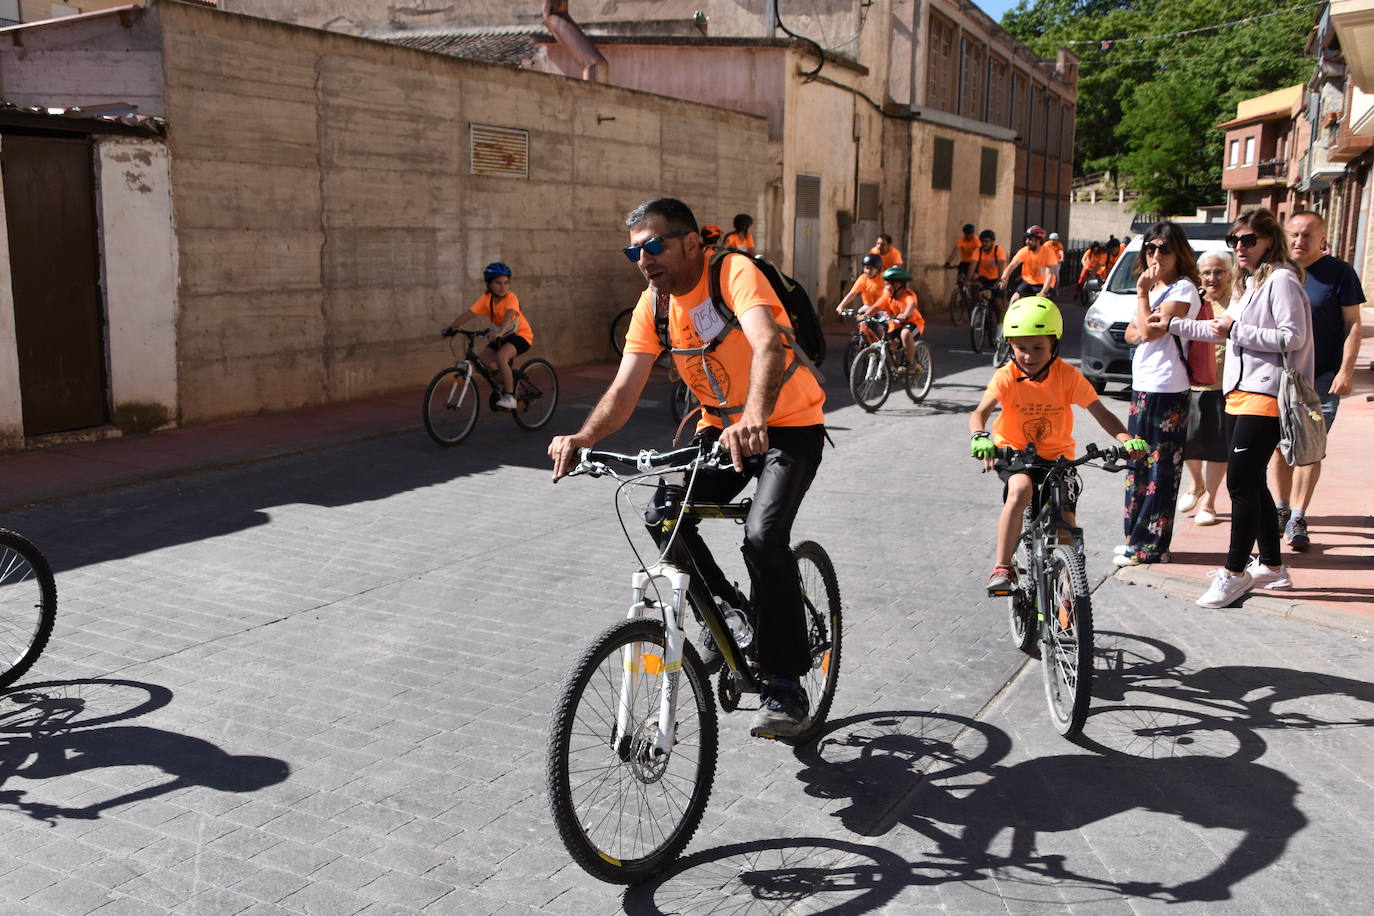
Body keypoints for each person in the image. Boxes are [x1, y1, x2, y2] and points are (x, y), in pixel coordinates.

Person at [548, 197, 826, 737]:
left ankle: (785, 683)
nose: (643, 259)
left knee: (764, 535)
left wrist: (753, 417)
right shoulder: (653, 306)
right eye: (634, 251)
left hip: (787, 423)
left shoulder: (733, 272)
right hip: (720, 431)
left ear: (692, 243)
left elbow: (767, 345)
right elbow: (625, 389)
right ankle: (731, 615)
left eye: (654, 245)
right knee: (663, 513)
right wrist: (584, 438)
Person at [1146, 208, 1314, 608]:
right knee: (1252, 482)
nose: (1239, 247)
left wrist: (1237, 330)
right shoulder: (1250, 282)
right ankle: (1272, 566)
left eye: (1248, 240)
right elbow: (1217, 331)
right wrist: (1173, 325)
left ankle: (1235, 572)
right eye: (1234, 240)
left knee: (1239, 483)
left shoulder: (1282, 280)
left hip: (1268, 394)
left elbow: (1293, 337)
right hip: (1239, 393)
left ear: (1269, 240)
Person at [968, 297, 1146, 592]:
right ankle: (1003, 566)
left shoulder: (1067, 376)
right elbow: (980, 413)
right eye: (1020, 347)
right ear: (1010, 345)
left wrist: (1125, 439)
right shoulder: (1007, 376)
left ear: (1054, 344)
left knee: (1066, 521)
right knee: (1021, 489)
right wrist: (979, 436)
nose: (1028, 355)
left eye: (1038, 347)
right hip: (1015, 453)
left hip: (1059, 458)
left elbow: (1100, 412)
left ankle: (1069, 595)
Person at [1270, 210, 1365, 551]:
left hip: (1322, 377)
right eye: (1293, 234)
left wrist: (1346, 370)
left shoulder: (1340, 273)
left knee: (1310, 448)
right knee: (1281, 446)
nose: (1298, 240)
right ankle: (1280, 509)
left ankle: (1298, 515)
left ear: (1322, 239)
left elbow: (1354, 324)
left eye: (1307, 235)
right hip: (1280, 376)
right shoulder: (1275, 271)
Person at [1115, 221, 1203, 568]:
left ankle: (1151, 546)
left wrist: (1141, 297)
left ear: (1179, 252)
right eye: (1150, 248)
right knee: (1137, 462)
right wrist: (1145, 318)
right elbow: (1130, 335)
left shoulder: (1183, 289)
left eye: (1164, 248)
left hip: (1167, 386)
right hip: (1143, 385)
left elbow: (1148, 335)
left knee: (1160, 470)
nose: (1155, 255)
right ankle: (1134, 539)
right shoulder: (1156, 291)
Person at [1179, 250, 1233, 528]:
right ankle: (1196, 484)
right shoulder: (1191, 301)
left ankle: (1210, 502)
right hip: (1191, 383)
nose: (1213, 277)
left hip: (1224, 386)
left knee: (1217, 448)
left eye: (1220, 271)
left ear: (1230, 274)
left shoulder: (1236, 302)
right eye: (1208, 272)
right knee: (1188, 443)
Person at [444, 261, 532, 410]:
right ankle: (506, 381)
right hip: (500, 336)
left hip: (520, 336)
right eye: (498, 283)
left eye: (506, 282)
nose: (503, 287)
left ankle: (509, 396)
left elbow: (508, 315)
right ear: (489, 284)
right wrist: (452, 327)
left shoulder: (511, 298)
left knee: (501, 357)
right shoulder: (486, 300)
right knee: (481, 362)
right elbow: (469, 313)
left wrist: (499, 332)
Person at [856, 265, 924, 369]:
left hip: (913, 324)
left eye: (888, 284)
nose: (885, 287)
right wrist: (865, 316)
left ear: (897, 285)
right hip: (895, 326)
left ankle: (910, 363)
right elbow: (876, 307)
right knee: (888, 345)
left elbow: (911, 305)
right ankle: (892, 369)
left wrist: (905, 315)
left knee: (905, 333)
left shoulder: (909, 295)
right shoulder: (887, 296)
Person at [999, 226, 1059, 308]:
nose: (1027, 242)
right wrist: (1003, 279)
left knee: (1042, 307)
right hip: (1029, 282)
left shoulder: (1048, 252)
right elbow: (1011, 266)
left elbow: (1049, 275)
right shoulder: (1024, 251)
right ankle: (1009, 321)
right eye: (1027, 239)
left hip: (1045, 284)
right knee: (1014, 299)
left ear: (1038, 240)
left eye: (1030, 239)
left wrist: (1043, 292)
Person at [971, 230, 1007, 308]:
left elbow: (1001, 266)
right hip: (984, 277)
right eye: (982, 241)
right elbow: (972, 266)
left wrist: (1000, 280)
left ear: (992, 241)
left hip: (998, 277)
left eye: (987, 241)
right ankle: (978, 308)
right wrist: (968, 280)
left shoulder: (998, 251)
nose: (984, 244)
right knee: (973, 288)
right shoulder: (978, 251)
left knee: (997, 301)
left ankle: (999, 320)